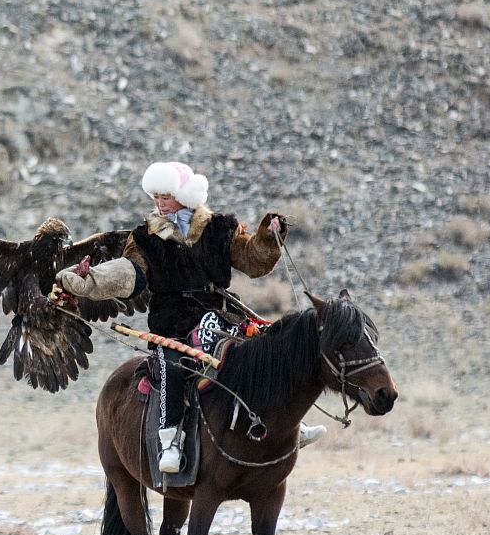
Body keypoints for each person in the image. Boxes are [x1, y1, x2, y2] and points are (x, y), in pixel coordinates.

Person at [58, 161, 325, 473]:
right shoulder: (145, 237)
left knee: (265, 354)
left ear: (184, 195)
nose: (159, 203)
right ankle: (170, 441)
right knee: (172, 366)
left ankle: (293, 425)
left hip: (221, 313)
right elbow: (130, 273)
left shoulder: (220, 229)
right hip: (172, 320)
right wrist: (91, 279)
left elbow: (253, 261)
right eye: (155, 196)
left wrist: (268, 237)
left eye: (166, 196)